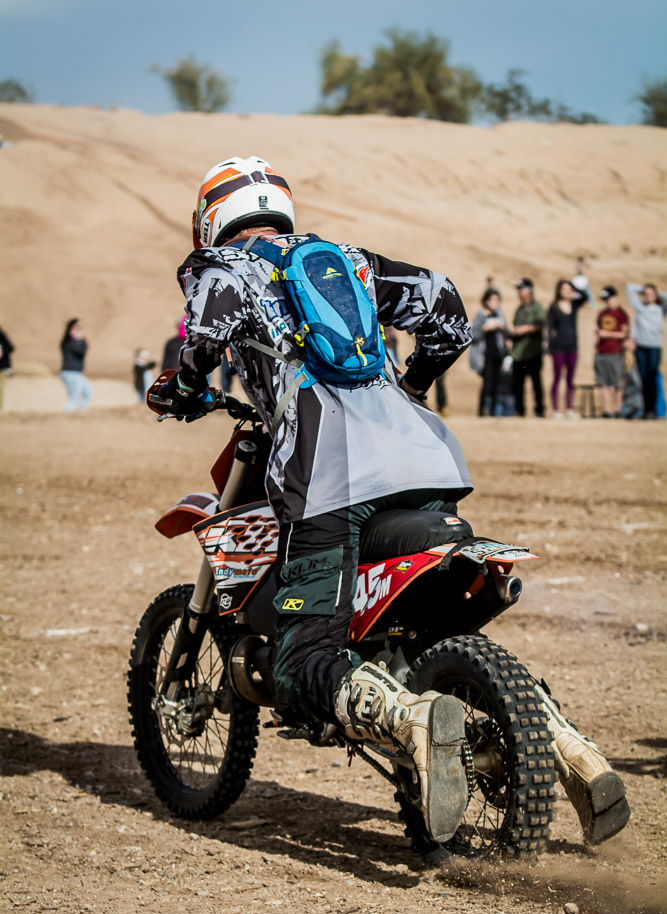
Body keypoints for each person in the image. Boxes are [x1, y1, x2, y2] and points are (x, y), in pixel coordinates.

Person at [150, 155, 629, 846]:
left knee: (301, 661)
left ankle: (410, 720)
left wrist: (183, 386)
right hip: (423, 457)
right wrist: (412, 385)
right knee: (428, 634)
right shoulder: (346, 260)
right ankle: (573, 752)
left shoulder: (220, 266)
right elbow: (448, 310)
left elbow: (205, 336)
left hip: (326, 472)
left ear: (210, 218)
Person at [626, 281, 667, 419]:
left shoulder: (661, 309)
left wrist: (658, 292)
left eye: (651, 294)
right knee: (643, 379)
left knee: (652, 377)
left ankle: (653, 410)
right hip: (641, 347)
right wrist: (643, 289)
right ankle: (646, 409)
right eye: (647, 294)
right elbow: (629, 287)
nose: (649, 296)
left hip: (654, 347)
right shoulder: (640, 308)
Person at [547, 279, 587, 418]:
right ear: (559, 291)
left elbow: (585, 296)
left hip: (572, 347)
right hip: (558, 348)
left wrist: (573, 286)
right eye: (564, 289)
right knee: (557, 378)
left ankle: (569, 409)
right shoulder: (554, 307)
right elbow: (550, 329)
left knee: (570, 379)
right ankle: (556, 410)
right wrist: (550, 347)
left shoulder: (574, 304)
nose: (566, 291)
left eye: (569, 289)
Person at [510, 278, 545, 417]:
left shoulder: (537, 307)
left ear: (529, 290)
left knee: (536, 383)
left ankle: (539, 410)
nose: (519, 292)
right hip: (518, 353)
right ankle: (519, 410)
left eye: (521, 289)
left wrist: (524, 329)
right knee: (517, 384)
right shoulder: (519, 309)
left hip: (533, 352)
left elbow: (540, 325)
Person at [471, 288, 508, 417]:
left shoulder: (500, 315)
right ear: (486, 301)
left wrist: (502, 328)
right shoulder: (480, 316)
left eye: (498, 300)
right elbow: (472, 335)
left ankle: (493, 411)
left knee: (497, 384)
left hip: (498, 354)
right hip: (484, 355)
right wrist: (484, 328)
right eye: (493, 300)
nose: (496, 303)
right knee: (487, 382)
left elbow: (507, 333)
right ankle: (482, 411)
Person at [594, 286, 629, 418]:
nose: (607, 302)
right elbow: (598, 332)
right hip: (601, 353)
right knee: (603, 383)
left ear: (614, 297)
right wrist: (596, 349)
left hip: (615, 352)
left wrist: (608, 334)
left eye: (608, 299)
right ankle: (606, 411)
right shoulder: (602, 314)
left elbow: (624, 334)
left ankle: (618, 409)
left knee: (617, 383)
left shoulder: (621, 314)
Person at [59, 318, 91, 412]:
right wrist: (81, 340)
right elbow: (82, 351)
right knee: (73, 398)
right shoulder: (68, 342)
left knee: (87, 394)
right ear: (70, 329)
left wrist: (81, 340)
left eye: (80, 328)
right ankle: (67, 414)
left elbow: (83, 349)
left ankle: (81, 413)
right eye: (77, 327)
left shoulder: (77, 342)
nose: (79, 330)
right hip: (70, 373)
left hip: (78, 373)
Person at [0, 326, 14, 412]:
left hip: (3, 367)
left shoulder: (1, 334)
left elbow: (10, 347)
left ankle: (0, 408)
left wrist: (2, 352)